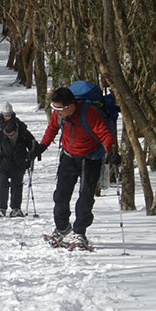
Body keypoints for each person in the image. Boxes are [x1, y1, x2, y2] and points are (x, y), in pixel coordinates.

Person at [32, 87, 115, 250]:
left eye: (58, 109)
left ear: (70, 106)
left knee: (85, 197)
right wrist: (42, 146)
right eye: (53, 108)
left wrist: (111, 150)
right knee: (60, 196)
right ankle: (62, 227)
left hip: (90, 159)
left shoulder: (89, 113)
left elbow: (105, 134)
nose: (55, 112)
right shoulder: (60, 115)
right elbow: (52, 129)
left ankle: (80, 232)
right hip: (69, 157)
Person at [0, 113, 37, 218]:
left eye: (11, 135)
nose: (10, 136)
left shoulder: (23, 132)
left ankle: (16, 208)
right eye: (7, 135)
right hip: (3, 160)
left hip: (19, 161)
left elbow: (32, 143)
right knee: (2, 183)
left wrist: (32, 155)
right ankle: (0, 208)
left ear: (16, 130)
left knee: (17, 184)